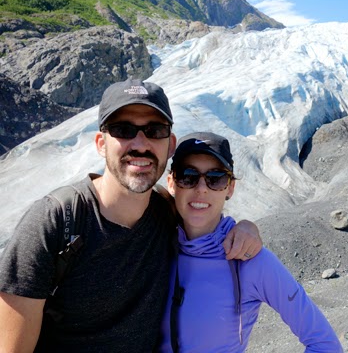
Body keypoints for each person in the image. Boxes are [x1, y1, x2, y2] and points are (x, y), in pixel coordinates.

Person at [0, 79, 262, 352]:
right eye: (123, 129)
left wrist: (247, 227)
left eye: (154, 130)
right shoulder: (55, 222)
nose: (140, 143)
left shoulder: (166, 212)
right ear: (101, 143)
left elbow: (209, 221)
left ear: (170, 145)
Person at [158, 132, 343, 352]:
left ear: (230, 188)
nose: (202, 188)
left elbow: (325, 344)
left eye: (216, 178)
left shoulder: (250, 260)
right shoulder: (154, 244)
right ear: (171, 183)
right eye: (188, 176)